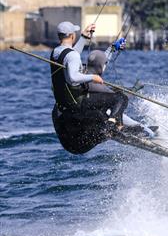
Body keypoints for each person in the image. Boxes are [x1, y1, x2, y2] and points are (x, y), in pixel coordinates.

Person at [50, 21, 128, 154]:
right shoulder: (72, 56)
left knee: (102, 108)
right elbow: (73, 77)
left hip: (64, 104)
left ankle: (111, 125)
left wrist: (84, 38)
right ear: (71, 35)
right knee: (121, 98)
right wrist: (92, 77)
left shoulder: (56, 53)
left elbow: (71, 55)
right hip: (78, 102)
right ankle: (113, 125)